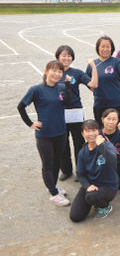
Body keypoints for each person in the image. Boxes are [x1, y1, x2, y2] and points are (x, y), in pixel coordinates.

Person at [18, 60, 72, 206]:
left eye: (59, 71)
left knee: (56, 162)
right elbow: (21, 106)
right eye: (53, 70)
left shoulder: (61, 87)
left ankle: (52, 186)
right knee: (47, 164)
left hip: (60, 132)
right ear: (46, 71)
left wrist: (67, 85)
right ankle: (54, 194)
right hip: (45, 135)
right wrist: (31, 124)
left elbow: (68, 102)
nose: (56, 73)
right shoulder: (36, 89)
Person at [54, 45, 98, 182]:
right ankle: (66, 170)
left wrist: (94, 67)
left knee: (79, 142)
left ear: (72, 58)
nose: (66, 58)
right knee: (62, 143)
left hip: (75, 112)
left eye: (69, 56)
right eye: (63, 55)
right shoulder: (54, 72)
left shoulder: (77, 73)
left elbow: (93, 85)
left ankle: (81, 171)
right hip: (59, 113)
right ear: (58, 57)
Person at [70, 120, 118, 222]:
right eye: (87, 131)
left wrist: (101, 146)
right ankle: (94, 199)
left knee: (91, 197)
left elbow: (112, 162)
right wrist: (88, 186)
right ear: (83, 134)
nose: (91, 134)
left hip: (108, 185)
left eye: (94, 130)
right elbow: (80, 174)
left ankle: (105, 206)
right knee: (75, 216)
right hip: (92, 185)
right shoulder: (82, 152)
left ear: (99, 131)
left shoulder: (107, 145)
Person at [87, 36, 120, 124]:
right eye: (103, 46)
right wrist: (94, 90)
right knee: (102, 131)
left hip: (117, 104)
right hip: (100, 104)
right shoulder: (93, 64)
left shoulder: (117, 62)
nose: (105, 49)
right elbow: (87, 81)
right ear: (98, 48)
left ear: (111, 48)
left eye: (108, 46)